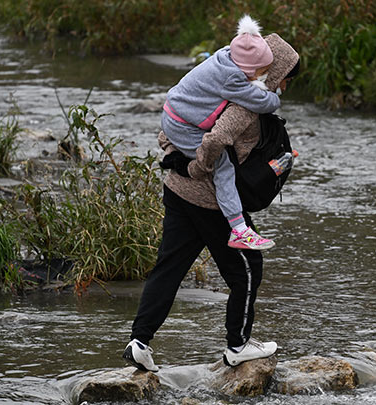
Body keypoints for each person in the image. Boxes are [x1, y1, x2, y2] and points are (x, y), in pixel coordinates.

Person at [122, 31, 300, 371]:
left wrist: (184, 161)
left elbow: (169, 130)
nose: (285, 87)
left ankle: (139, 342)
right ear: (273, 73)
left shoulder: (213, 84)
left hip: (176, 190)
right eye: (285, 79)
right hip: (210, 201)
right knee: (247, 271)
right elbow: (217, 138)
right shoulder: (244, 106)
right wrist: (200, 165)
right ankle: (238, 345)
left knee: (169, 269)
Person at [160, 15, 279, 251]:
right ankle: (239, 229)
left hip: (175, 111)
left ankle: (179, 159)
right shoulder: (231, 78)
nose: (262, 77)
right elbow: (264, 102)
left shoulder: (225, 54)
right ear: (247, 69)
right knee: (223, 164)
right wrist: (275, 94)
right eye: (261, 73)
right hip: (181, 124)